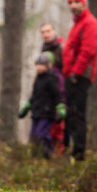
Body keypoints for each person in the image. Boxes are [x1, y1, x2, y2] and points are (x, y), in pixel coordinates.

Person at [62, 0, 97, 162]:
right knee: (71, 115)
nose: (73, 5)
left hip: (80, 77)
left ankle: (79, 154)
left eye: (76, 2)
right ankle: (71, 151)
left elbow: (88, 51)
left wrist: (76, 73)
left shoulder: (90, 23)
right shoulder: (77, 24)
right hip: (71, 76)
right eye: (70, 2)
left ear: (83, 3)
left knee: (77, 115)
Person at [19, 52, 66, 158]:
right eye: (38, 65)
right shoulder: (37, 79)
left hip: (47, 113)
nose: (39, 67)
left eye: (42, 65)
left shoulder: (52, 78)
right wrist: (27, 107)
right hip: (36, 112)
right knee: (33, 137)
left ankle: (49, 153)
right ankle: (35, 157)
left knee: (42, 134)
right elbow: (34, 96)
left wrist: (61, 107)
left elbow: (57, 94)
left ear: (49, 65)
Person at [40, 23, 66, 154]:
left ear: (54, 31)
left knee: (58, 123)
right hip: (46, 93)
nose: (45, 34)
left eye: (48, 31)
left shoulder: (61, 47)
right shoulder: (44, 48)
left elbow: (65, 68)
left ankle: (59, 153)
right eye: (43, 32)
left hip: (60, 90)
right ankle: (48, 153)